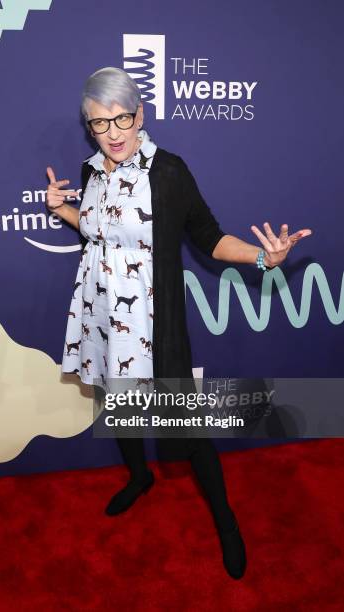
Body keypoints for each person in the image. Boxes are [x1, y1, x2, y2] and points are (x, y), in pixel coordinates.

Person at [46, 67, 312, 580]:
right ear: (89, 128)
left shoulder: (167, 172)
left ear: (140, 115)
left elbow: (209, 238)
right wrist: (64, 211)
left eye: (123, 117)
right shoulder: (89, 173)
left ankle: (226, 523)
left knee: (185, 428)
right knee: (112, 398)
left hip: (152, 325)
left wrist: (263, 258)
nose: (115, 132)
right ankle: (139, 477)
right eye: (101, 124)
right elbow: (99, 235)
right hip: (102, 316)